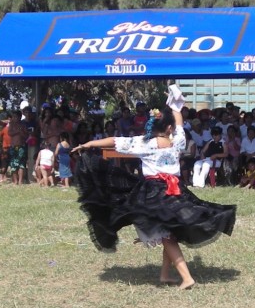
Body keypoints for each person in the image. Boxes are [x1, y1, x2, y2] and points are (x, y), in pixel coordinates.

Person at [72, 89, 236, 290]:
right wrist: (176, 105)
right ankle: (165, 275)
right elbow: (179, 121)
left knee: (167, 235)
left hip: (154, 193)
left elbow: (115, 141)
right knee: (169, 233)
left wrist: (89, 143)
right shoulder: (178, 141)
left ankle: (187, 278)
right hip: (176, 191)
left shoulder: (145, 143)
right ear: (169, 128)